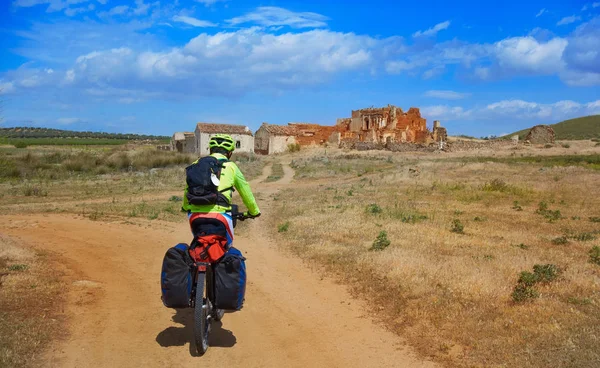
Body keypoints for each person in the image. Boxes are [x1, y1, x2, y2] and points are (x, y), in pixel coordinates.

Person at [183, 134, 260, 250]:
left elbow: (188, 189)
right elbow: (245, 190)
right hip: (221, 216)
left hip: (195, 216)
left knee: (198, 247)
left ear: (210, 150)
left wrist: (185, 207)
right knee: (227, 250)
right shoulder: (231, 166)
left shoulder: (196, 165)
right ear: (229, 153)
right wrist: (254, 211)